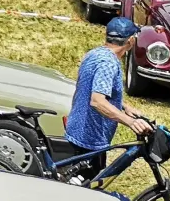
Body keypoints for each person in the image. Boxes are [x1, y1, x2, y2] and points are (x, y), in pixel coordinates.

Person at [64, 18, 155, 182]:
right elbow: (97, 101)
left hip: (79, 129)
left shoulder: (95, 53)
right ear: (130, 40)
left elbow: (95, 89)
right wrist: (130, 122)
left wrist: (123, 105)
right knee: (85, 187)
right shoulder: (108, 63)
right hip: (89, 138)